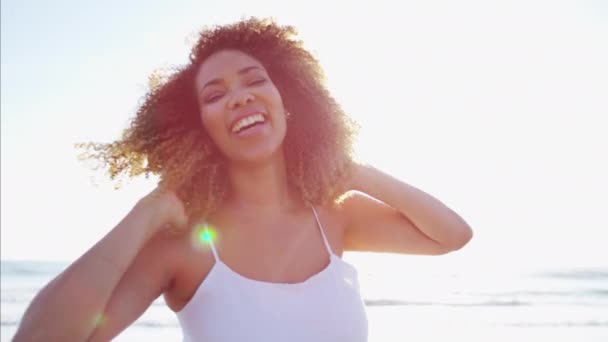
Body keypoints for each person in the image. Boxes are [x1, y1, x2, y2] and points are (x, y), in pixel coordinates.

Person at [13, 18, 472, 342]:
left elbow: (451, 235)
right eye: (215, 94)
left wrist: (358, 174)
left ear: (286, 100)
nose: (240, 97)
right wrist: (146, 212)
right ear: (198, 128)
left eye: (255, 80)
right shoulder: (184, 247)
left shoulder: (334, 218)